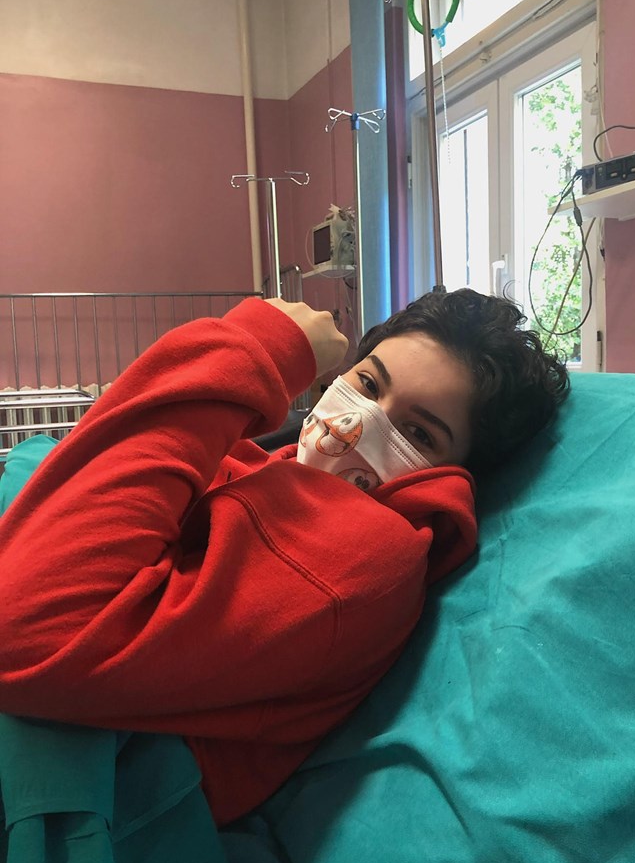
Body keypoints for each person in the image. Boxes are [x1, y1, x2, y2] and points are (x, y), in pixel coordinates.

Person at [0, 288, 568, 826]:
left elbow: (30, 632)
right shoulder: (271, 468)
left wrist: (259, 349)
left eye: (418, 433)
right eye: (368, 384)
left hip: (70, 792)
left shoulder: (367, 554)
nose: (357, 424)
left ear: (454, 473)